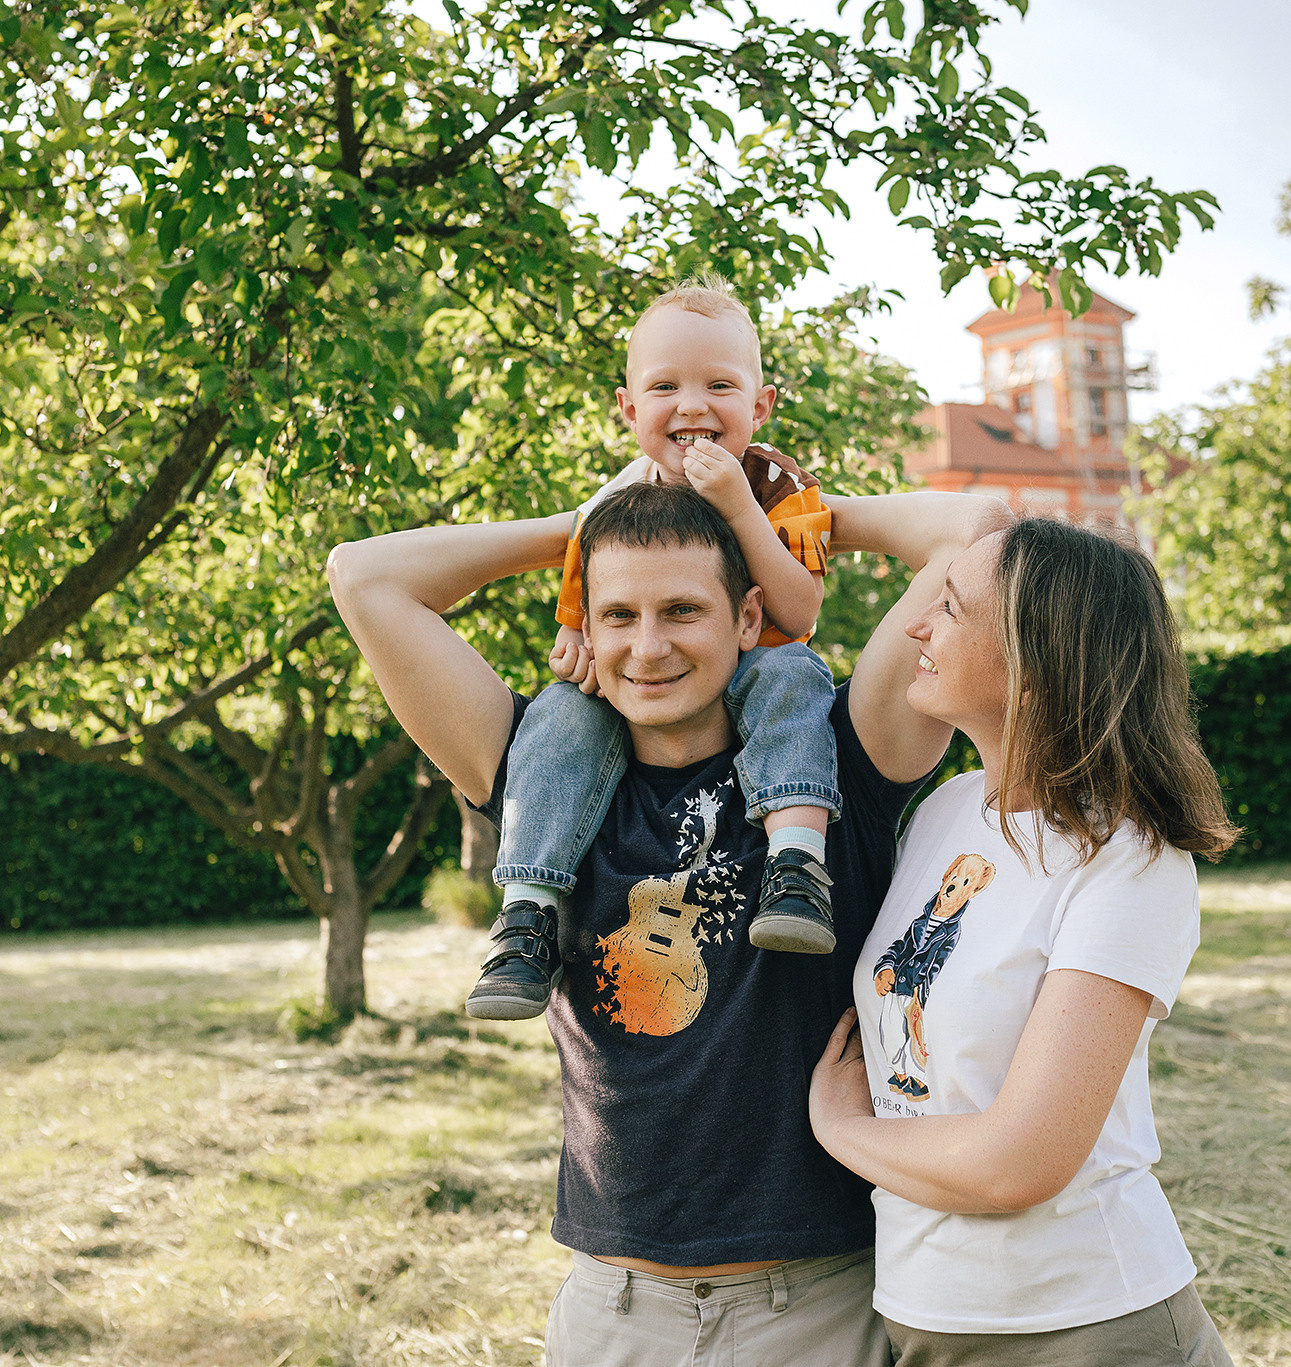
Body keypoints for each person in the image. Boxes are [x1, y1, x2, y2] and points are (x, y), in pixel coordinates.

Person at [329, 478, 1010, 1365]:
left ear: (747, 616)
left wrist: (751, 508)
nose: (647, 647)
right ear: (586, 627)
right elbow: (363, 576)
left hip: (816, 1304)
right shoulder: (541, 774)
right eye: (617, 615)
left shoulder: (839, 747)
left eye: (683, 608)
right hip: (612, 1311)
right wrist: (582, 528)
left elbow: (978, 527)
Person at [806, 515, 1241, 1366]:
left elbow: (1020, 1161)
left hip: (1082, 1324)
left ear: (1035, 665)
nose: (918, 627)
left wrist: (835, 1124)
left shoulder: (1130, 858)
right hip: (919, 1313)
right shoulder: (943, 810)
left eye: (952, 610)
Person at [469, 273, 842, 1022]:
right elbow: (577, 606)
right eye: (665, 385)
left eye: (721, 385)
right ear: (630, 407)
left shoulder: (780, 487)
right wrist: (573, 635)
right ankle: (527, 913)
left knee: (796, 673)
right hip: (651, 699)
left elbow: (797, 613)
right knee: (556, 713)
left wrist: (738, 505)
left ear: (761, 405)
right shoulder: (613, 501)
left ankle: (798, 864)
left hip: (755, 670)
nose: (694, 405)